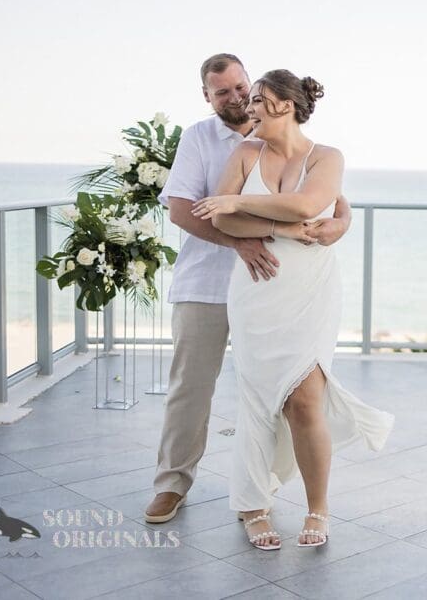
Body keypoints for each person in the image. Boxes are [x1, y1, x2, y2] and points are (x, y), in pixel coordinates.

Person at [146, 55, 353, 524]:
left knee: (277, 395)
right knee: (190, 390)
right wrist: (240, 242)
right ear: (207, 97)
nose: (238, 99)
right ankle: (172, 484)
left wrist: (341, 223)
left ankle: (262, 488)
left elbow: (323, 202)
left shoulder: (304, 145)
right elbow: (183, 210)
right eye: (224, 92)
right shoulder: (200, 138)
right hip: (207, 281)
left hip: (277, 286)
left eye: (243, 88)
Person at [193, 69, 394, 549]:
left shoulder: (327, 157)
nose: (249, 107)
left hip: (311, 291)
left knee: (305, 400)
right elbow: (221, 218)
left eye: (258, 99)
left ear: (284, 105)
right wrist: (276, 229)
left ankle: (318, 508)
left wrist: (240, 201)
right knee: (258, 400)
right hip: (257, 290)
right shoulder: (245, 153)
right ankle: (253, 505)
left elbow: (307, 205)